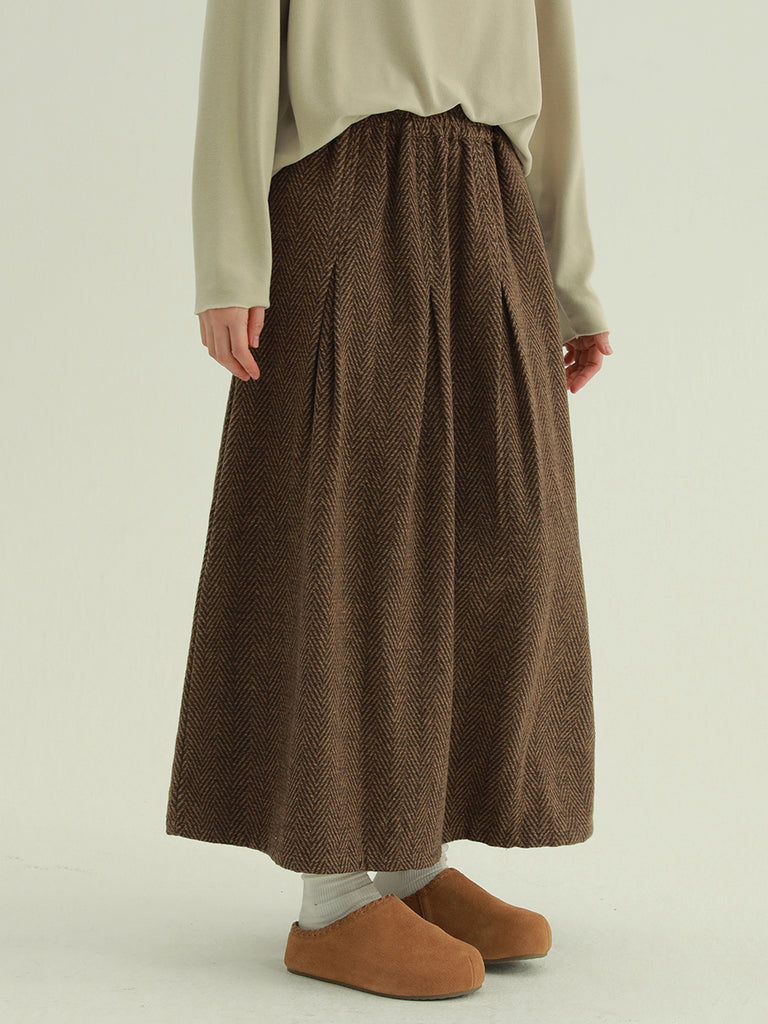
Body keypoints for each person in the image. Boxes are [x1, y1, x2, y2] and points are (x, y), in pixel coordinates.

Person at [166, 0, 613, 1001]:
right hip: (347, 186)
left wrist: (570, 275)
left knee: (503, 541)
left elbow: (554, 68)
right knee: (353, 543)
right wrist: (230, 256)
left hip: (490, 195)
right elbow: (241, 47)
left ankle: (409, 862)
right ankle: (331, 898)